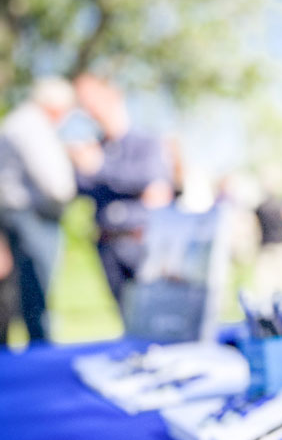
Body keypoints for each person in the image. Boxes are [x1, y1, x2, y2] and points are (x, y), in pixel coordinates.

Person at [71, 73, 174, 306]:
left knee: (155, 312)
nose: (90, 109)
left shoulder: (146, 142)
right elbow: (81, 186)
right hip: (108, 243)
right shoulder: (96, 146)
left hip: (141, 240)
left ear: (114, 96)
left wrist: (100, 169)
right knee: (126, 316)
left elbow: (151, 179)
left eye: (94, 100)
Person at [0, 77, 78, 343]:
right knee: (37, 297)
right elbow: (55, 184)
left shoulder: (18, 122)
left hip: (19, 217)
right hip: (31, 218)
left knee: (20, 295)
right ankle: (42, 357)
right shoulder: (32, 125)